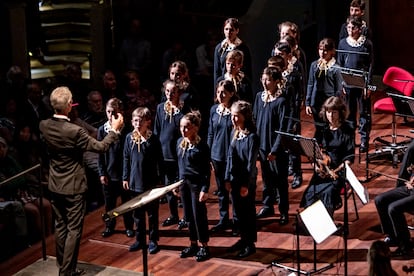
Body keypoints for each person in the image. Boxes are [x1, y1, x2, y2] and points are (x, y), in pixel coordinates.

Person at [39, 86, 124, 276]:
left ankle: (64, 266)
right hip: (73, 187)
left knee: (60, 226)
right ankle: (67, 272)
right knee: (74, 230)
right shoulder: (74, 131)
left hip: (55, 184)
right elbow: (101, 147)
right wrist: (115, 131)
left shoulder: (43, 125)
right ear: (69, 105)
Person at [300, 96, 355, 217]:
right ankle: (313, 221)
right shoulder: (322, 129)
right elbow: (314, 151)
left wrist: (337, 170)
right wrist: (316, 166)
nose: (330, 115)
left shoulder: (347, 129)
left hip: (338, 172)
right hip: (323, 170)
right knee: (311, 191)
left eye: (334, 112)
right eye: (328, 112)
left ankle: (326, 222)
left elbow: (350, 157)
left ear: (340, 112)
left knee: (328, 192)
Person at [253, 66, 291, 225]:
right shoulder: (259, 97)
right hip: (262, 147)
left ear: (277, 81)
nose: (264, 82)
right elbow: (254, 120)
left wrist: (275, 149)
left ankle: (284, 211)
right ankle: (267, 205)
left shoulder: (281, 101)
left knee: (280, 181)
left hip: (277, 149)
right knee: (267, 180)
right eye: (263, 79)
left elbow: (283, 128)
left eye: (268, 80)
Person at [123, 107, 161, 254]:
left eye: (141, 121)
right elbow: (126, 158)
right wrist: (125, 177)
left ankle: (153, 240)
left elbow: (159, 160)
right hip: (134, 182)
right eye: (136, 121)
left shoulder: (153, 139)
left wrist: (160, 180)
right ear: (132, 122)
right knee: (137, 215)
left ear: (148, 122)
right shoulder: (129, 138)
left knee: (152, 214)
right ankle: (139, 239)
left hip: (150, 182)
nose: (138, 124)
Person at [225, 100, 259, 258]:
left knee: (247, 213)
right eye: (232, 116)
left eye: (236, 116)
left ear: (245, 116)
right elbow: (230, 158)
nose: (233, 119)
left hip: (246, 181)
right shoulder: (234, 133)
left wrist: (246, 184)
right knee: (238, 212)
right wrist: (227, 177)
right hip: (234, 178)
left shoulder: (252, 137)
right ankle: (243, 239)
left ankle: (250, 243)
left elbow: (251, 164)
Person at [176, 111, 211, 262]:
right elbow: (179, 166)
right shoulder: (180, 143)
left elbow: (206, 172)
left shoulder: (202, 146)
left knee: (199, 216)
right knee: (188, 216)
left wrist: (205, 189)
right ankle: (193, 243)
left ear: (195, 128)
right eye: (182, 127)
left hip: (197, 186)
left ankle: (204, 245)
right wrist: (177, 184)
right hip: (184, 184)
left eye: (187, 127)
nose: (183, 130)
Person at [98, 98, 134, 238]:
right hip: (109, 172)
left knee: (127, 203)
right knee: (110, 204)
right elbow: (100, 153)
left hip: (124, 173)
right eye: (108, 112)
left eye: (114, 112)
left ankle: (129, 227)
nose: (111, 115)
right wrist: (102, 173)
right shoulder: (103, 130)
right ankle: (109, 226)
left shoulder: (127, 130)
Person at [337, 15, 374, 153]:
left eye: (353, 28)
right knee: (350, 113)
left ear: (359, 29)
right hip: (348, 83)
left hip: (362, 83)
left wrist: (368, 86)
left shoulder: (367, 44)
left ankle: (364, 140)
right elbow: (340, 64)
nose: (350, 30)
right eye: (348, 27)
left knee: (364, 112)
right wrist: (342, 84)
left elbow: (370, 65)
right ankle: (350, 140)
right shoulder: (343, 43)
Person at [207, 80, 239, 234]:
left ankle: (238, 221)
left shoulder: (235, 111)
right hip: (216, 155)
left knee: (233, 189)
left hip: (231, 156)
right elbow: (211, 133)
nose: (220, 95)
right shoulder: (214, 110)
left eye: (223, 92)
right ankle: (224, 219)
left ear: (231, 93)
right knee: (221, 190)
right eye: (218, 92)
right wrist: (209, 154)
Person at [154, 80, 186, 230]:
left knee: (181, 186)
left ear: (178, 93)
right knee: (168, 187)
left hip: (178, 155)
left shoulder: (182, 111)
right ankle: (174, 215)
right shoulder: (160, 108)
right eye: (167, 91)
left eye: (173, 91)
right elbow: (157, 130)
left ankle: (186, 216)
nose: (169, 94)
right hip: (164, 155)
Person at [273, 41, 305, 189]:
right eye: (276, 54)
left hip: (291, 114)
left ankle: (297, 174)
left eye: (281, 54)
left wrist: (293, 119)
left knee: (293, 144)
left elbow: (297, 97)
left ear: (288, 56)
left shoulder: (294, 73)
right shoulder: (273, 73)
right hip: (278, 114)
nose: (278, 57)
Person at [374, 142, 414, 257]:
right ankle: (393, 237)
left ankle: (405, 246)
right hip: (410, 188)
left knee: (394, 208)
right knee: (380, 200)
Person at [305, 38, 343, 144]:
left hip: (328, 101)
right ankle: (319, 147)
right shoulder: (314, 65)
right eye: (320, 49)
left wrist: (334, 104)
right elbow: (310, 83)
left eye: (325, 50)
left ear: (332, 51)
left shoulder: (335, 68)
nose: (322, 52)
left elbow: (338, 89)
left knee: (327, 125)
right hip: (316, 100)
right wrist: (308, 102)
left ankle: (328, 146)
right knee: (318, 125)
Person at [213, 18, 252, 88]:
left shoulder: (243, 48)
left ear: (237, 31)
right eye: (226, 29)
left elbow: (248, 70)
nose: (228, 32)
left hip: (238, 85)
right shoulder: (219, 48)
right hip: (224, 85)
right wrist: (216, 88)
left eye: (231, 30)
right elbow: (217, 71)